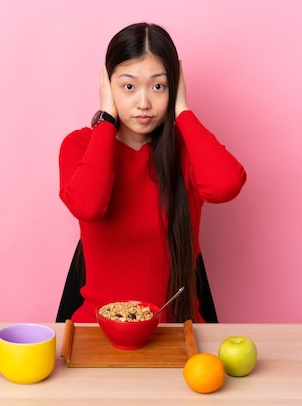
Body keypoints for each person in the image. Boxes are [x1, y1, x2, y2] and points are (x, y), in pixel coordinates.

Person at [57, 22, 246, 324]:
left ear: (174, 86)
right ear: (107, 85)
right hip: (97, 334)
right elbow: (88, 206)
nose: (143, 103)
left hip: (177, 334)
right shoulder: (79, 145)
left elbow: (226, 186)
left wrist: (182, 109)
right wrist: (106, 117)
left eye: (158, 86)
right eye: (128, 87)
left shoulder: (188, 149)